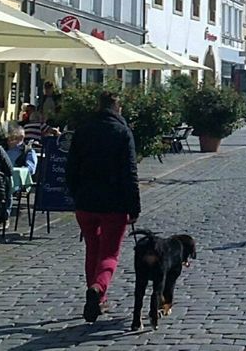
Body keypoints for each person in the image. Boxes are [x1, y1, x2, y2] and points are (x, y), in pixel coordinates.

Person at [66, 90, 141, 323]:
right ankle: (98, 289)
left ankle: (96, 295)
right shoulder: (122, 132)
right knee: (109, 253)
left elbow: (70, 168)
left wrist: (76, 194)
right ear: (118, 108)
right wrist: (134, 206)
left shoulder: (84, 129)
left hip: (86, 203)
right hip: (114, 203)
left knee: (92, 250)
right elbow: (130, 172)